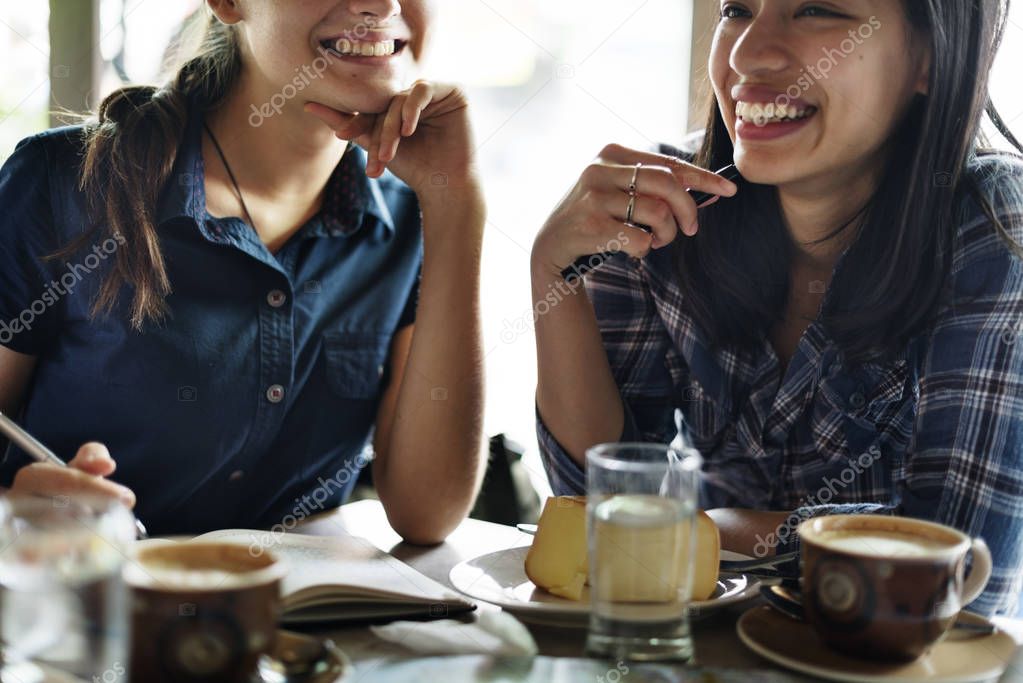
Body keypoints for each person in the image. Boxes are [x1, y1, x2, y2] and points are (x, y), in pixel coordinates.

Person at [532, 0, 1023, 615]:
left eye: (817, 10)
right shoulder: (661, 211)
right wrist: (554, 276)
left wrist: (712, 526)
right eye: (736, 8)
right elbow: (590, 525)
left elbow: (963, 580)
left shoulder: (996, 230)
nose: (745, 53)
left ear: (931, 57)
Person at [0, 0, 486, 543]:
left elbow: (428, 514)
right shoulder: (62, 184)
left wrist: (458, 200)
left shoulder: (412, 215)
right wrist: (10, 513)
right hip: (92, 606)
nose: (382, 4)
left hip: (300, 620)